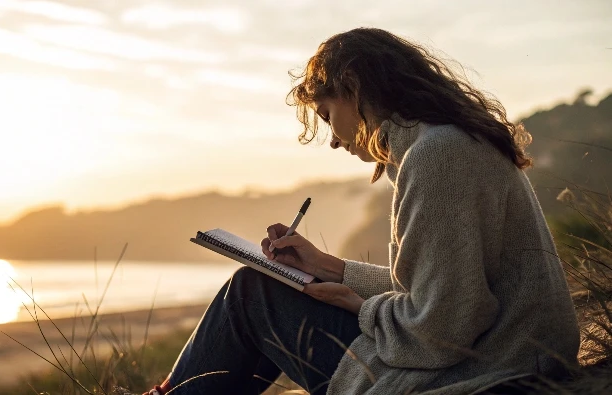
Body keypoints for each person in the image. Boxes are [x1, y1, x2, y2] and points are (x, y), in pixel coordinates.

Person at [143, 28, 580, 395]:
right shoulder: (446, 144)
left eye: (328, 114)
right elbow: (444, 290)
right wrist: (328, 267)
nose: (332, 139)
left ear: (354, 87)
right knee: (260, 293)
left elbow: (441, 331)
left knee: (251, 292)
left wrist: (359, 306)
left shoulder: (438, 156)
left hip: (486, 376)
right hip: (506, 358)